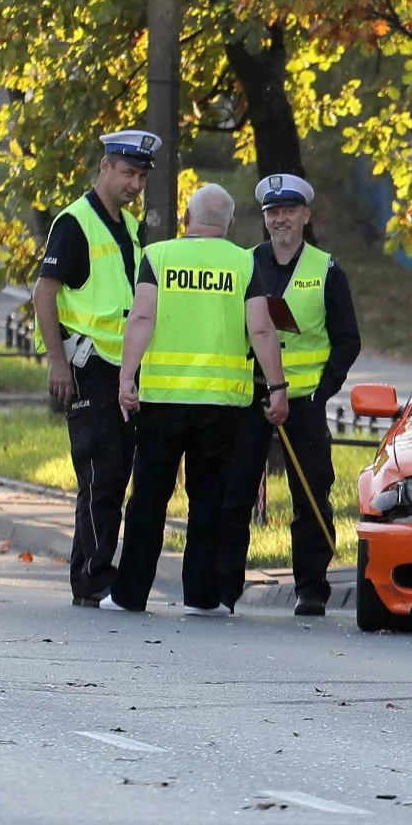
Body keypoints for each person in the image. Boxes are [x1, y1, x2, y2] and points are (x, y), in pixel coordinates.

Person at [105, 183, 289, 615]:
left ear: (187, 217)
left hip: (163, 400)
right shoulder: (244, 263)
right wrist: (278, 388)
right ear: (228, 223)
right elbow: (262, 330)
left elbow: (143, 317)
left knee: (149, 497)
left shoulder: (160, 257)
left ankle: (130, 593)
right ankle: (203, 596)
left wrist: (126, 376)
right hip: (222, 405)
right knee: (208, 499)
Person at [214, 174, 362, 616]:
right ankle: (225, 586)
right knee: (235, 491)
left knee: (312, 492)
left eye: (289, 211)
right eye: (272, 212)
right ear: (264, 219)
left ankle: (311, 587)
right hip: (250, 395)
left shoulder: (327, 270)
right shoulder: (244, 264)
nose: (280, 219)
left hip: (303, 399)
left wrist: (321, 391)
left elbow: (347, 340)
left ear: (305, 216)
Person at [32, 130, 150, 606]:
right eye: (127, 173)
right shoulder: (76, 223)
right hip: (89, 366)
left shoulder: (130, 226)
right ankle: (94, 577)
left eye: (141, 176)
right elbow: (44, 293)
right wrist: (57, 362)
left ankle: (90, 573)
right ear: (104, 168)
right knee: (101, 475)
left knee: (113, 475)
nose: (134, 184)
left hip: (123, 369)